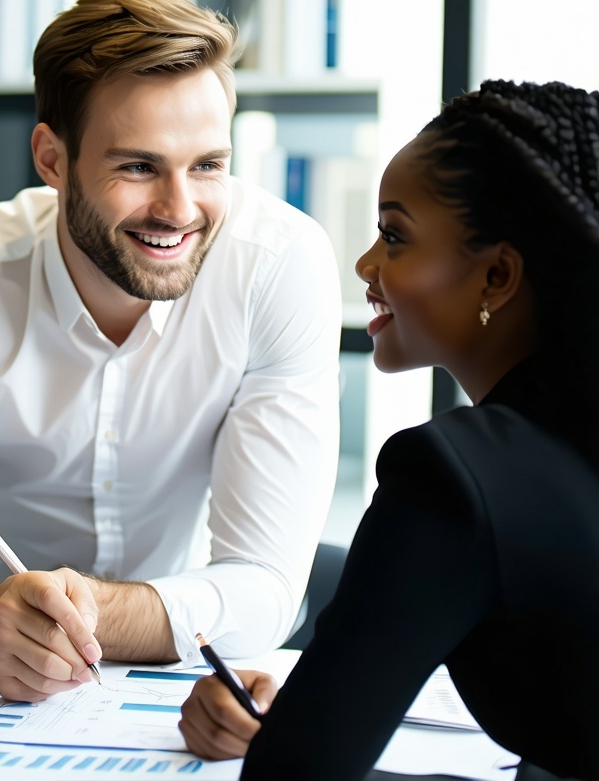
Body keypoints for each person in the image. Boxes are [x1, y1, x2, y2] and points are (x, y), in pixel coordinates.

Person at [0, 0, 342, 702]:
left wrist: (92, 613)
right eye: (139, 167)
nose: (180, 210)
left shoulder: (279, 267)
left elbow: (265, 584)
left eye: (208, 165)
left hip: (182, 670)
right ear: (52, 159)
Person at [178, 79, 599, 781]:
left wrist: (294, 738)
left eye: (395, 235)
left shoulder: (453, 480)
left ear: (496, 276)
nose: (366, 265)